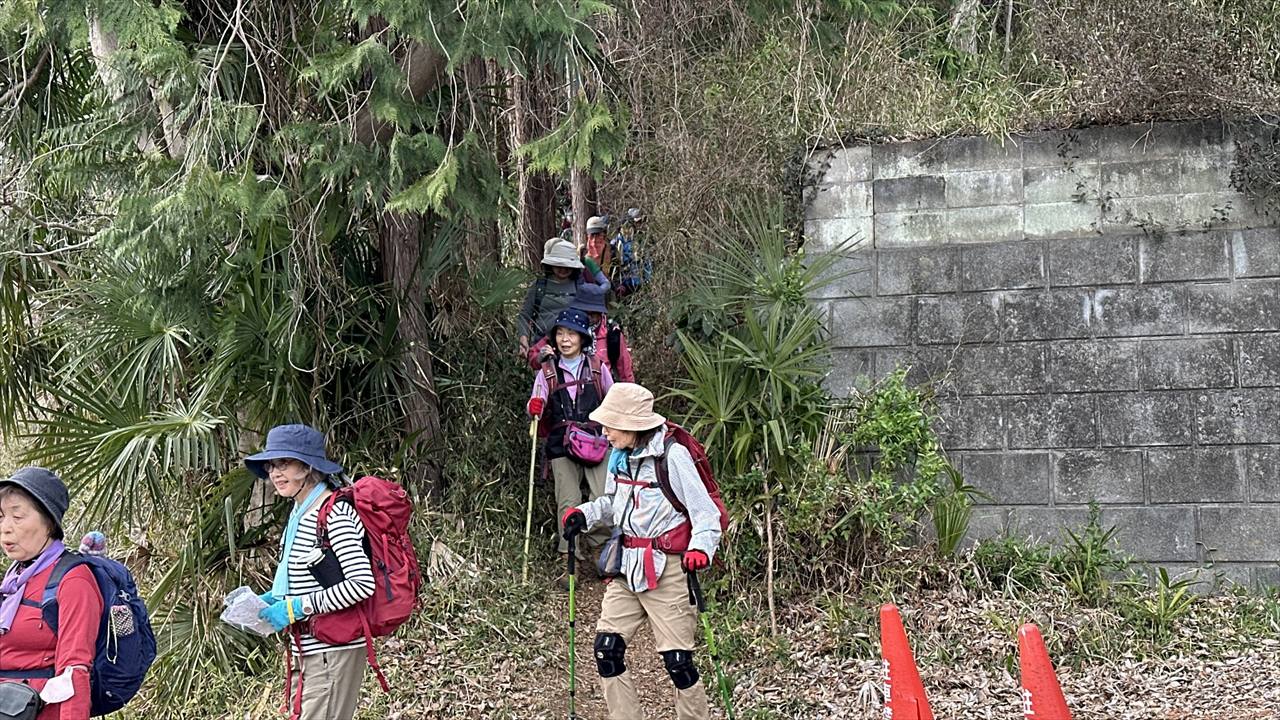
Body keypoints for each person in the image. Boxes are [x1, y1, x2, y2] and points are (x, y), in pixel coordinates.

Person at [561, 384, 722, 720]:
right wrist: (585, 514)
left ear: (633, 425)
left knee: (678, 663)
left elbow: (705, 513)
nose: (605, 431)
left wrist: (700, 549)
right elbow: (612, 504)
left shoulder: (672, 457)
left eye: (611, 424)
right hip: (627, 566)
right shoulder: (619, 457)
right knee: (607, 651)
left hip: (669, 569)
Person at [245, 424, 375, 720]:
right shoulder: (299, 513)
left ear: (307, 467)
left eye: (284, 463)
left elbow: (361, 584)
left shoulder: (334, 513)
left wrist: (296, 607)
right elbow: (306, 579)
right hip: (306, 649)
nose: (275, 473)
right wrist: (273, 598)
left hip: (332, 650)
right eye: (271, 465)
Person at [0, 467, 101, 720]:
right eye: (1, 516)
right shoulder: (15, 580)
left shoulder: (73, 580)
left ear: (49, 522)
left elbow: (75, 671)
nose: (5, 528)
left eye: (17, 516)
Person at [527, 309, 614, 579]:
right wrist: (534, 406)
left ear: (582, 337)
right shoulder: (547, 371)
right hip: (561, 444)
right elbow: (537, 402)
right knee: (568, 500)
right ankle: (570, 559)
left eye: (571, 334)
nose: (565, 340)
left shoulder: (597, 367)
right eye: (560, 333)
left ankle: (602, 552)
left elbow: (612, 400)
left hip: (597, 441)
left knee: (602, 496)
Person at [516, 239, 609, 366]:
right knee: (546, 377)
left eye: (567, 266)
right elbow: (524, 315)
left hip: (572, 347)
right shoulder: (539, 286)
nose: (563, 269)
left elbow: (593, 316)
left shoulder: (579, 286)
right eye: (559, 265)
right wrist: (523, 339)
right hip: (543, 345)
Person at [571, 282, 635, 383]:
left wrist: (630, 390)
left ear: (600, 313)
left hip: (604, 388)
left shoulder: (612, 334)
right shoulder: (566, 331)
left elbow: (625, 370)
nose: (588, 317)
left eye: (593, 313)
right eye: (584, 312)